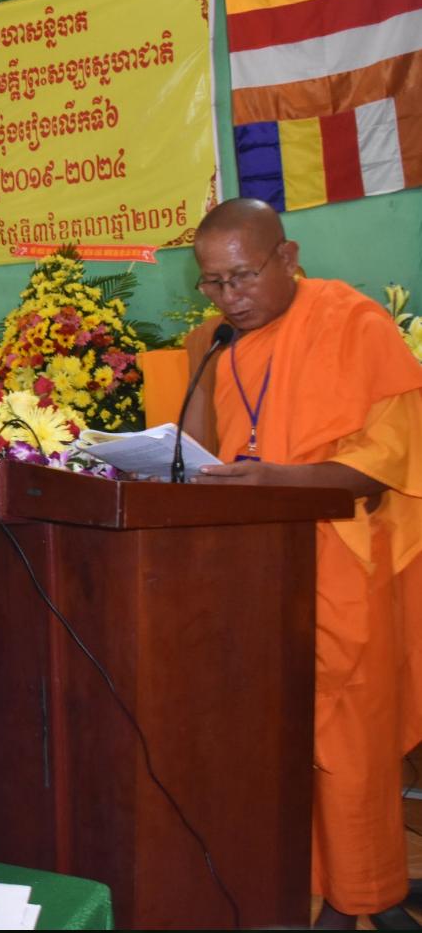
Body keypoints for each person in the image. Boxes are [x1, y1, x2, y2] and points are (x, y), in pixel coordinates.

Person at [191, 199, 422, 930]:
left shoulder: (352, 323)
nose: (230, 296)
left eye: (241, 276)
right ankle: (304, 889)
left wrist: (273, 479)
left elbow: (376, 468)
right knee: (278, 747)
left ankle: (362, 897)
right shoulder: (223, 346)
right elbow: (198, 462)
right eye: (212, 284)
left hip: (343, 562)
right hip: (256, 576)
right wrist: (205, 360)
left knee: (349, 747)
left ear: (287, 257)